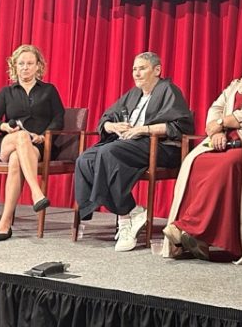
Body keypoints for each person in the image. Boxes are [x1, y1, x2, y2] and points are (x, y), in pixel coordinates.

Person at [161, 41, 242, 263]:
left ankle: (190, 227)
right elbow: (215, 108)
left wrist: (222, 124)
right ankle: (199, 239)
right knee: (198, 161)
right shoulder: (236, 86)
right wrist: (214, 134)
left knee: (228, 164)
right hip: (231, 143)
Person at [75, 52, 194, 252]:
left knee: (109, 153)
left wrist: (143, 129)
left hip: (161, 147)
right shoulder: (133, 94)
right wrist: (112, 127)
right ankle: (132, 210)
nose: (136, 73)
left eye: (142, 68)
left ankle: (124, 220)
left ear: (157, 70)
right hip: (127, 144)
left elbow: (181, 126)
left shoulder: (168, 90)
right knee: (85, 159)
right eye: (134, 69)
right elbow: (106, 118)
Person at [0, 44, 66, 242]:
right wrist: (4, 127)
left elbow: (59, 118)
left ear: (38, 66)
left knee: (16, 160)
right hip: (8, 141)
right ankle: (36, 193)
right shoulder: (7, 92)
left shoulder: (49, 91)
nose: (25, 67)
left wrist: (44, 135)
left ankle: (4, 224)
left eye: (30, 63)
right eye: (21, 64)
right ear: (15, 66)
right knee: (20, 137)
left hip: (36, 145)